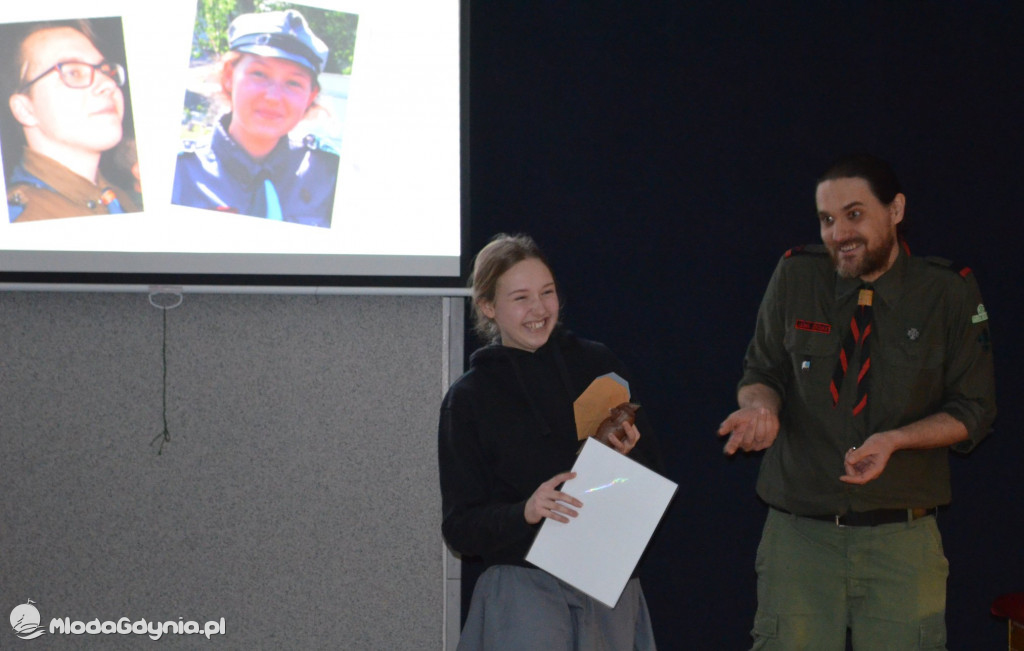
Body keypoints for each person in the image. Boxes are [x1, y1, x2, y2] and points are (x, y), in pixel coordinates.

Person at [717, 154, 996, 649]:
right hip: (800, 538)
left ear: (896, 209)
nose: (838, 233)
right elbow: (761, 372)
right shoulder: (796, 276)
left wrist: (895, 440)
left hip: (901, 543)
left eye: (854, 214)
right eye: (826, 219)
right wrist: (761, 408)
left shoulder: (946, 292)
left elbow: (974, 409)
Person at [439, 233, 663, 650]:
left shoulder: (598, 364)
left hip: (605, 579)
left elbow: (653, 473)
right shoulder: (468, 399)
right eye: (521, 298)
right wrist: (524, 511)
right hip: (522, 589)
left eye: (547, 293)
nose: (539, 309)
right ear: (489, 307)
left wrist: (629, 459)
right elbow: (460, 528)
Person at [171, 9, 339, 228]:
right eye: (259, 74)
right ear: (229, 77)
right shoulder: (178, 173)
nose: (273, 97)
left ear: (311, 96)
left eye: (294, 83)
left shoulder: (330, 175)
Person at [4, 20, 140, 222]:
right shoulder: (24, 220)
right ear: (25, 110)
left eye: (105, 70)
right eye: (73, 72)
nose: (108, 84)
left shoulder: (120, 200)